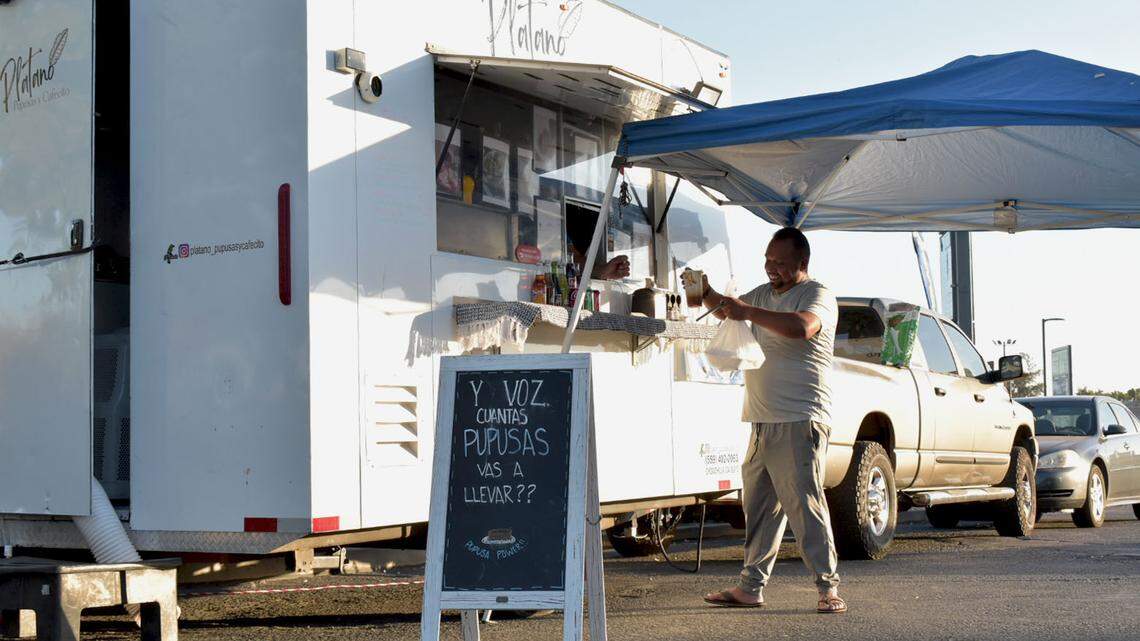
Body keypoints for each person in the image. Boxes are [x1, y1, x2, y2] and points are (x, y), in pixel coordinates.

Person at [699, 226, 846, 614]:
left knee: (804, 505)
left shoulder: (818, 295)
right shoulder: (763, 295)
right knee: (760, 508)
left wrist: (746, 310)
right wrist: (704, 290)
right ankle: (750, 587)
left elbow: (802, 327)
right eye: (767, 260)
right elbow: (729, 309)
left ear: (803, 263)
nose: (771, 268)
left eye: (780, 262)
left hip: (800, 417)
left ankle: (828, 588)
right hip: (761, 419)